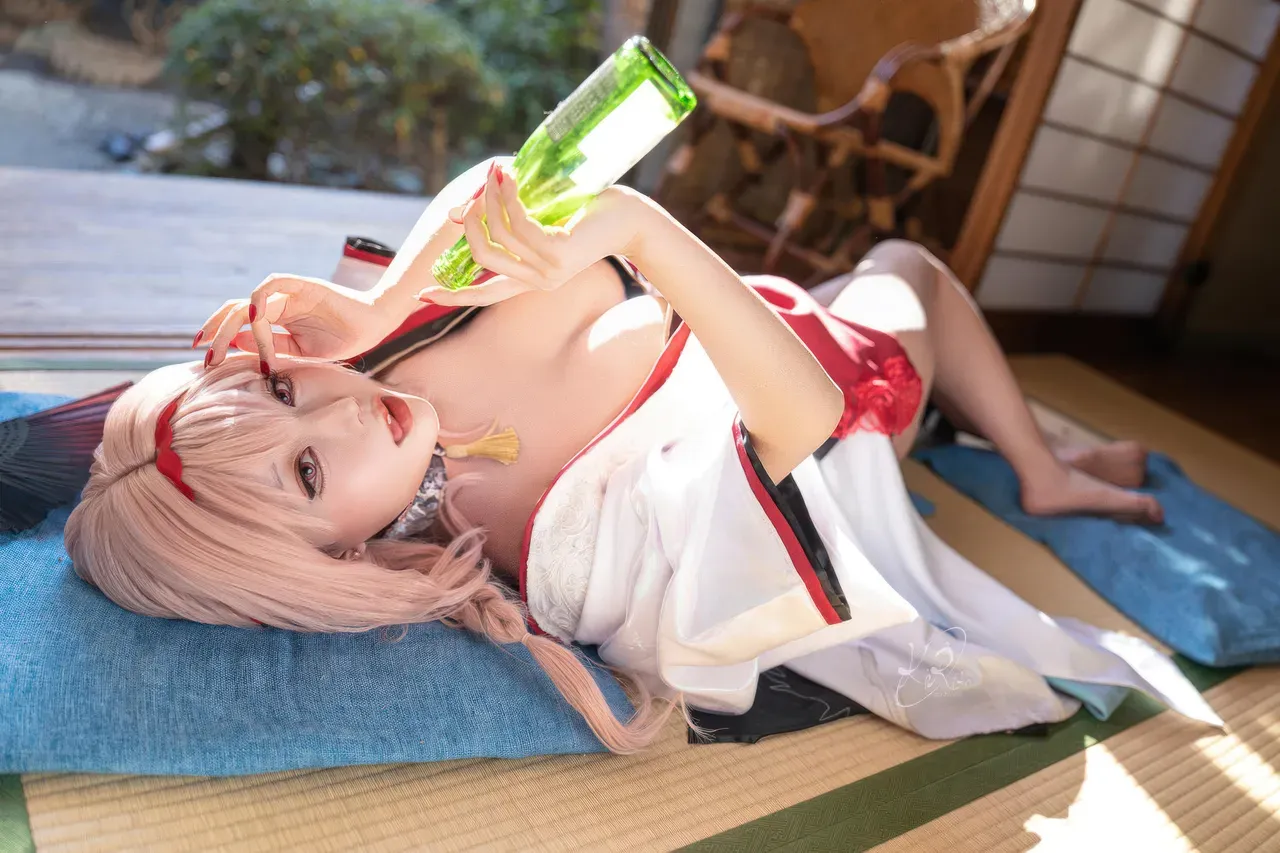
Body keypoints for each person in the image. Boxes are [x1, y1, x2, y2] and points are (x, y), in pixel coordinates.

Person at [64, 158, 1218, 753]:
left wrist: (383, 302)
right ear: (331, 559)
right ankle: (1038, 471)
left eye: (280, 389)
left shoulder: (379, 360)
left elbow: (505, 187)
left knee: (858, 272)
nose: (337, 412)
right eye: (308, 472)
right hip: (834, 389)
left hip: (737, 308)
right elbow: (802, 420)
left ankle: (1031, 444)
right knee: (905, 265)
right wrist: (639, 230)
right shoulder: (558, 548)